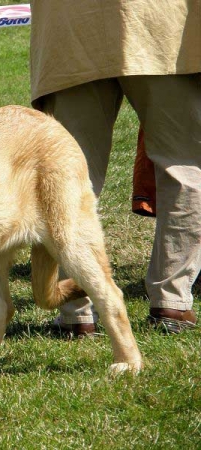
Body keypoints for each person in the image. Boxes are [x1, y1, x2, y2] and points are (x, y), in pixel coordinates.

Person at [29, 0, 200, 335]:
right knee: (183, 168)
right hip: (162, 26)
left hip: (72, 26)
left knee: (63, 177)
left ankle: (75, 314)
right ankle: (171, 302)